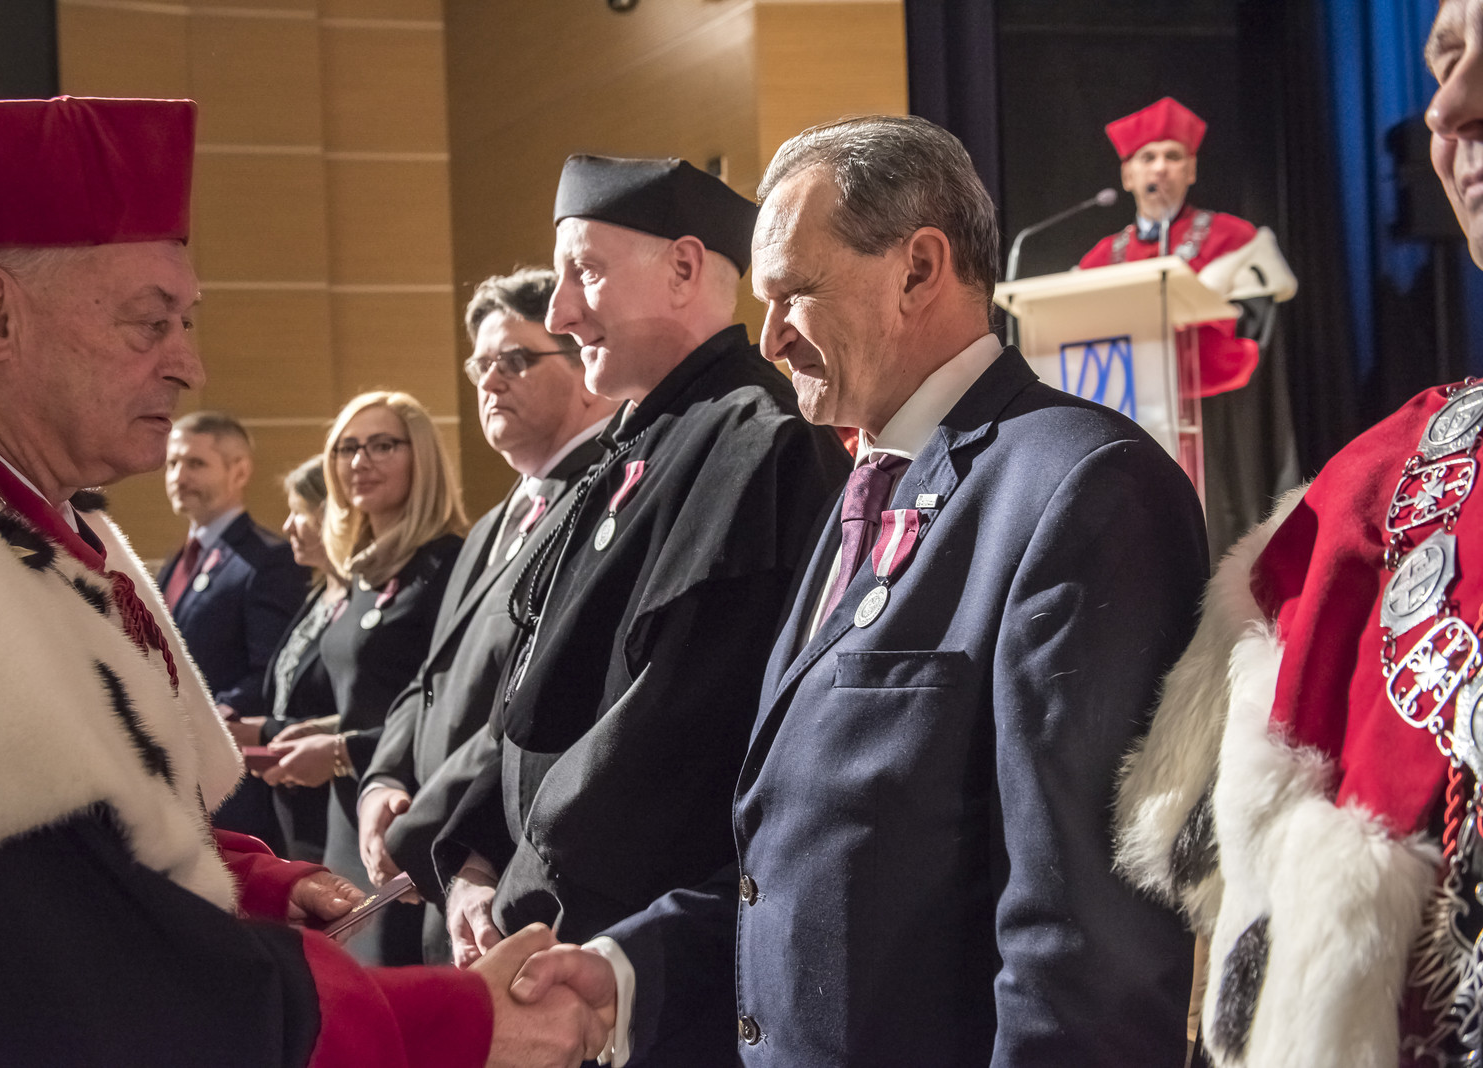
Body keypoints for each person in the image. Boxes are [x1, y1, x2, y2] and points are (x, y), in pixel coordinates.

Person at [0, 94, 608, 1068]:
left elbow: (85, 843)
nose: (190, 365)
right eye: (150, 323)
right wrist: (453, 1020)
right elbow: (96, 990)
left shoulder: (18, 522)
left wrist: (249, 881)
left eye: (187, 321)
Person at [511, 115, 1209, 1066]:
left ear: (918, 269)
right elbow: (820, 869)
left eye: (793, 294)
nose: (769, 338)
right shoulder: (865, 487)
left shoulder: (1078, 486)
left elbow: (1083, 945)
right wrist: (631, 972)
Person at [1114, 3, 1483, 1064]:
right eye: (1444, 59)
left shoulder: (1232, 242)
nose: (1448, 107)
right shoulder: (1374, 486)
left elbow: (1264, 294)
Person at [436, 155, 850, 966]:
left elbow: (670, 736)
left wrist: (524, 895)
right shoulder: (634, 442)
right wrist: (476, 854)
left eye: (584, 272)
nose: (560, 313)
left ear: (684, 269)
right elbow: (536, 687)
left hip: (633, 947)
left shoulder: (761, 445)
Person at [357, 268, 617, 963]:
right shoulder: (492, 523)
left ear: (588, 373)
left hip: (494, 864)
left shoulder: (601, 507)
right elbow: (430, 676)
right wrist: (384, 778)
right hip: (433, 864)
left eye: (516, 359)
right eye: (481, 365)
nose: (490, 381)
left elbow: (532, 705)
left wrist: (425, 823)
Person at [261, 390, 465, 965]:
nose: (360, 461)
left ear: (420, 456)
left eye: (382, 445)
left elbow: (448, 708)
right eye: (347, 448)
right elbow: (377, 693)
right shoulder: (364, 570)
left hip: (406, 811)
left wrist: (343, 750)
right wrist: (324, 729)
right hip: (346, 811)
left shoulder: (446, 564)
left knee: (397, 983)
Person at [1077, 96, 1301, 557]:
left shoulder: (1232, 239)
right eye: (1148, 157)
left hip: (1212, 420)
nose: (1160, 167)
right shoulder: (1100, 257)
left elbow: (1254, 331)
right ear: (1128, 175)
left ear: (1191, 170)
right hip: (1126, 415)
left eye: (1173, 156)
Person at [160, 409, 308, 849]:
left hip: (235, 786)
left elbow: (273, 671)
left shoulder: (269, 560)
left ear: (239, 471)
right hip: (179, 779)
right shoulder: (176, 563)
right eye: (172, 463)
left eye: (196, 463)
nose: (178, 476)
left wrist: (210, 718)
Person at [254, 455, 343, 863]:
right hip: (294, 803)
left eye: (299, 512)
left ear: (331, 515)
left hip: (338, 805)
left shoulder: (365, 599)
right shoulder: (319, 593)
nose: (288, 526)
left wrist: (264, 732)